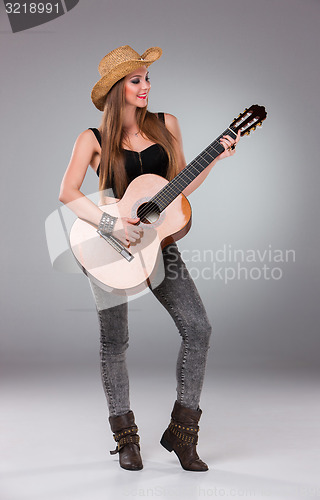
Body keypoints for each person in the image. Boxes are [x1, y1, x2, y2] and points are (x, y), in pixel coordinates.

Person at [59, 45, 239, 472]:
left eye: (147, 78)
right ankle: (126, 440)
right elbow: (67, 193)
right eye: (136, 79)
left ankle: (183, 432)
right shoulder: (93, 139)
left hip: (158, 246)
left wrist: (215, 158)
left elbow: (179, 188)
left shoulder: (165, 124)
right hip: (109, 247)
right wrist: (113, 226)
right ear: (118, 88)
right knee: (114, 342)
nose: (146, 86)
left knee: (198, 328)